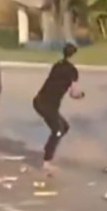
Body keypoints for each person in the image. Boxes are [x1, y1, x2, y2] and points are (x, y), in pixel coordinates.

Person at [33, 43, 85, 175]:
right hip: (47, 105)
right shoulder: (72, 71)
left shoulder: (57, 65)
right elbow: (74, 94)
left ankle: (48, 149)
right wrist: (81, 95)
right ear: (74, 56)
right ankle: (46, 162)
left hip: (40, 101)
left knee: (64, 127)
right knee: (58, 130)